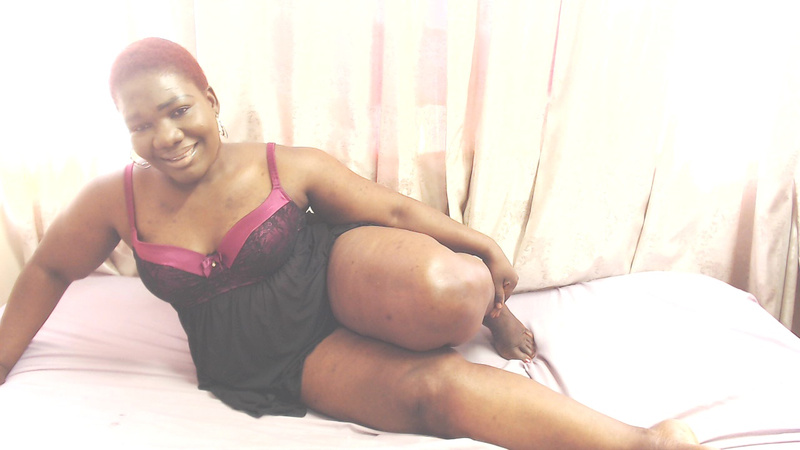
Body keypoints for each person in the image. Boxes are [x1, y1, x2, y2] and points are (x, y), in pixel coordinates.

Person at [0, 37, 713, 449]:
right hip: (274, 358)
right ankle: (642, 443)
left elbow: (395, 210)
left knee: (456, 287)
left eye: (178, 109)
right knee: (431, 397)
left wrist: (487, 249)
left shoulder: (285, 165)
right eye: (139, 124)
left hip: (331, 273)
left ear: (210, 101)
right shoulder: (114, 199)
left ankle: (489, 311)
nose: (165, 136)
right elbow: (51, 268)